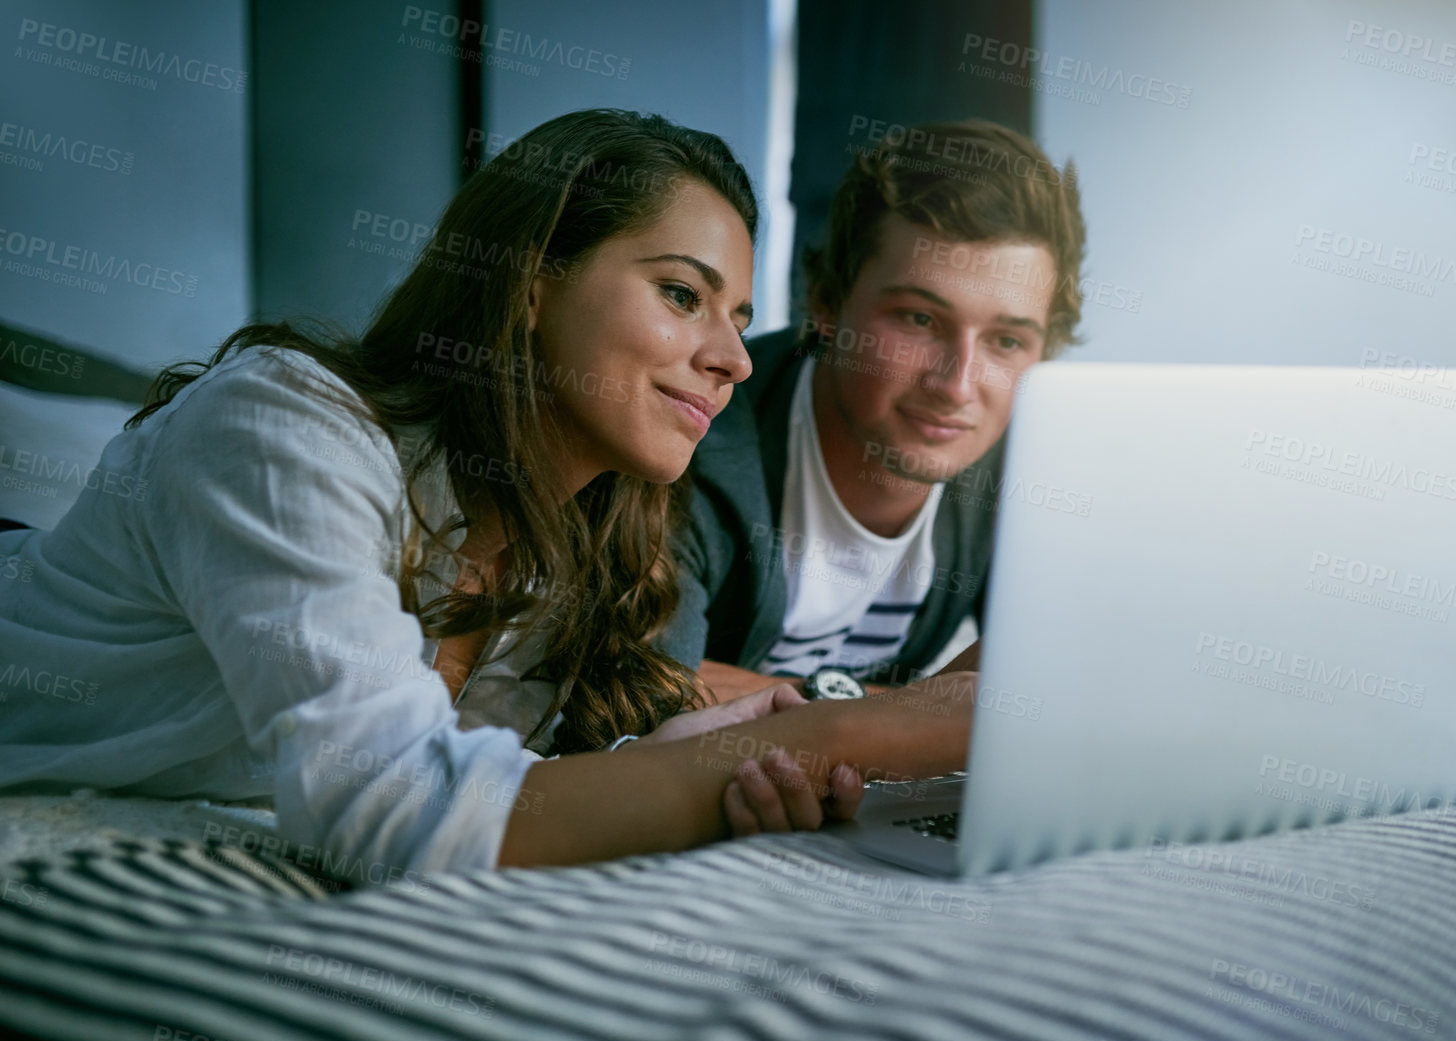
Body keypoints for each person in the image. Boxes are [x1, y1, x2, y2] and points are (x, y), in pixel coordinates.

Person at [0, 109, 976, 878]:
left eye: (740, 319)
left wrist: (698, 752)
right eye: (682, 294)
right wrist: (855, 732)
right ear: (530, 281)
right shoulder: (278, 426)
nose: (731, 359)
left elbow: (497, 785)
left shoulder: (578, 543)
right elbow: (396, 810)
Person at [660, 119, 1086, 704]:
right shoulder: (688, 436)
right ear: (827, 302)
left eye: (1006, 342)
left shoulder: (1030, 474)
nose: (957, 385)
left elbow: (1054, 696)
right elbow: (646, 685)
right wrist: (912, 717)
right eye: (919, 320)